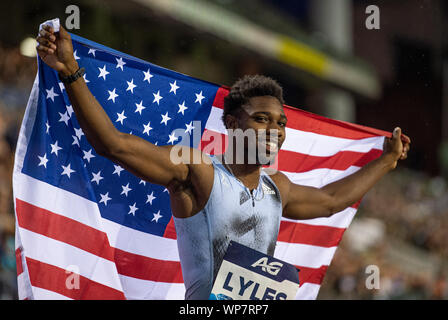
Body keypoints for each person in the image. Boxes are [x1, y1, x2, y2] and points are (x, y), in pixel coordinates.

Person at [36, 25, 411, 300]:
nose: (275, 130)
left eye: (280, 123)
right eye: (261, 119)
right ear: (232, 123)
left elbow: (331, 200)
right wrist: (70, 71)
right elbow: (114, 145)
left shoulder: (276, 188)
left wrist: (387, 160)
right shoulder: (196, 171)